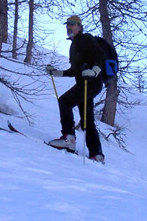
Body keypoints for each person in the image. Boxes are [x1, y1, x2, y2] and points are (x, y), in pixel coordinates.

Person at [45, 15, 106, 163]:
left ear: (79, 26)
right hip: (84, 84)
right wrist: (57, 73)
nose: (69, 27)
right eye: (67, 25)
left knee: (65, 101)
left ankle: (68, 138)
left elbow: (100, 56)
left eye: (72, 24)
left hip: (91, 82)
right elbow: (75, 70)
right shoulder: (74, 46)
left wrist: (95, 71)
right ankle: (97, 154)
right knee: (87, 119)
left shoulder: (86, 38)